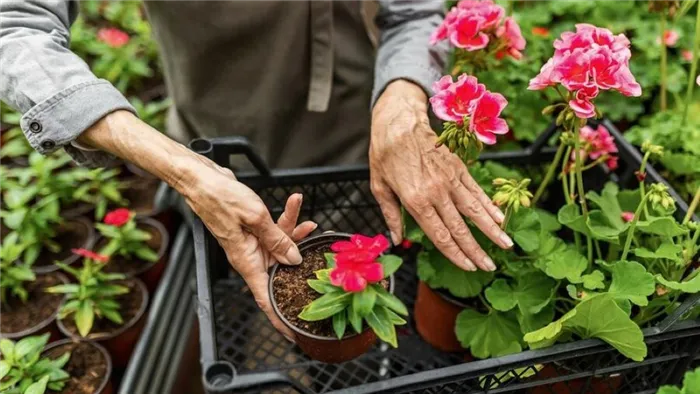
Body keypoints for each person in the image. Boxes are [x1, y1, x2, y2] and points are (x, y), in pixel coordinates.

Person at [0, 0, 513, 339]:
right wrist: (182, 169)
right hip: (212, 142)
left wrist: (401, 100)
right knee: (258, 291)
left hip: (358, 124)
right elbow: (16, 28)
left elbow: (412, 11)